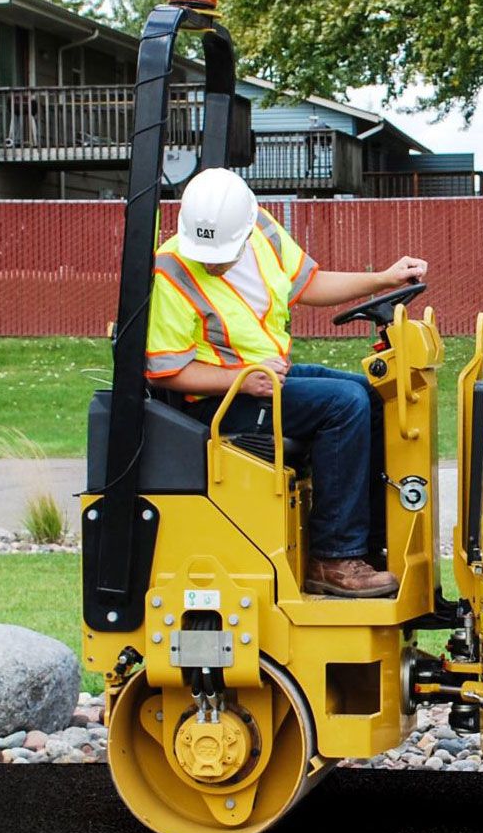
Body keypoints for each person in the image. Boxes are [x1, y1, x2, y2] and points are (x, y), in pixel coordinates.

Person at [144, 168, 427, 597]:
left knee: (370, 397)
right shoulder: (171, 270)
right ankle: (333, 558)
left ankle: (365, 549)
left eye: (221, 252)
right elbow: (167, 370)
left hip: (265, 380)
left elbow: (309, 283)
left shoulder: (261, 231)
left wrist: (383, 278)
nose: (212, 261)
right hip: (216, 401)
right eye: (206, 252)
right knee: (344, 404)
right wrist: (241, 381)